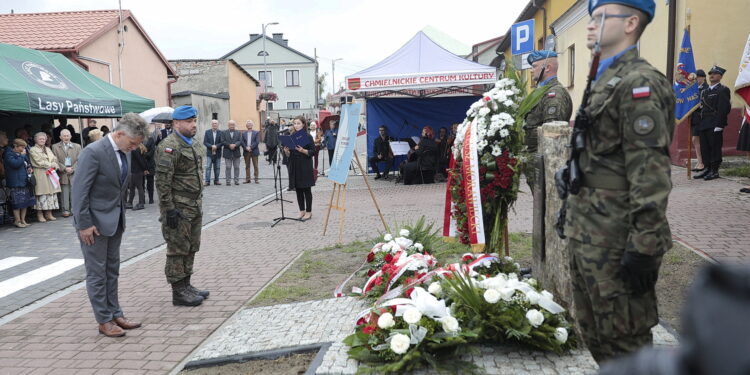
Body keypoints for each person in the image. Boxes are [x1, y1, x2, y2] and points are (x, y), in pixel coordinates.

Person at [564, 0, 675, 364]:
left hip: (616, 235)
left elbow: (650, 172)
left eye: (599, 18)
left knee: (625, 341)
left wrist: (644, 245)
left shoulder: (639, 83)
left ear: (630, 23)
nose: (590, 26)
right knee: (595, 332)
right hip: (589, 229)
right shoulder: (603, 78)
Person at [72, 113, 146, 337]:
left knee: (112, 271)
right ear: (120, 133)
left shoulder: (125, 151)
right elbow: (79, 192)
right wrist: (84, 224)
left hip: (115, 222)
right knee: (97, 274)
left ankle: (115, 313)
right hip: (93, 225)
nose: (134, 148)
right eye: (132, 143)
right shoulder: (92, 153)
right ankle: (103, 320)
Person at [155, 105, 209, 306]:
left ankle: (187, 284)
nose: (193, 124)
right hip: (178, 207)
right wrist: (169, 209)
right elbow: (162, 182)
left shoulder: (192, 143)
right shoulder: (169, 146)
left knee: (191, 246)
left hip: (194, 205)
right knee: (177, 248)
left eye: (194, 121)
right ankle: (178, 291)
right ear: (176, 123)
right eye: (189, 121)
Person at [524, 49, 574, 192]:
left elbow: (552, 132)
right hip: (537, 158)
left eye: (534, 66)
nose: (531, 71)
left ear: (547, 67)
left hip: (546, 160)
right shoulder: (541, 92)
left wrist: (523, 135)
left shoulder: (554, 94)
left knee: (546, 205)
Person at [694, 66, 731, 181]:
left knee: (714, 147)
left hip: (714, 123)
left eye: (715, 73)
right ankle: (707, 168)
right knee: (704, 148)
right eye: (710, 73)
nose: (711, 75)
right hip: (704, 123)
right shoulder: (705, 91)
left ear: (720, 76)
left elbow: (724, 109)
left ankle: (714, 171)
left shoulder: (723, 90)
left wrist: (719, 125)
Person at [283, 116, 315, 221]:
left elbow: (313, 152)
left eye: (298, 123)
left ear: (303, 124)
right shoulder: (291, 136)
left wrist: (303, 151)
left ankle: (309, 211)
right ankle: (302, 211)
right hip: (295, 165)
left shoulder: (307, 136)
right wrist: (287, 152)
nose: (296, 125)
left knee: (306, 189)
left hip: (305, 165)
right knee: (298, 190)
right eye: (295, 123)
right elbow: (289, 154)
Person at [29, 132, 61, 222]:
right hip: (40, 173)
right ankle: (40, 214)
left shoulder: (48, 148)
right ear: (36, 140)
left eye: (44, 139)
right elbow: (38, 161)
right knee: (41, 194)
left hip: (50, 173)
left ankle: (49, 213)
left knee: (51, 193)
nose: (42, 140)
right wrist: (51, 165)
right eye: (40, 139)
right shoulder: (33, 149)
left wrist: (54, 164)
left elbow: (55, 159)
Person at [4, 139, 35, 228]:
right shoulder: (8, 155)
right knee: (17, 203)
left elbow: (28, 163)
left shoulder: (23, 155)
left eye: (24, 147)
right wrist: (21, 156)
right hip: (15, 183)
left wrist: (30, 168)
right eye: (22, 147)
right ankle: (17, 221)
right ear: (15, 146)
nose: (23, 149)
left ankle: (23, 220)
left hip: (25, 181)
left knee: (25, 202)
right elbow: (15, 164)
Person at [51, 129, 81, 217]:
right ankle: (65, 210)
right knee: (64, 192)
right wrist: (64, 168)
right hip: (62, 172)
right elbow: (55, 160)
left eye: (68, 135)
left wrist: (73, 168)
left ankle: (74, 209)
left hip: (74, 172)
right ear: (60, 137)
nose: (66, 137)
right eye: (64, 136)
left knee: (74, 192)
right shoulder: (55, 147)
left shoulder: (77, 146)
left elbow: (80, 159)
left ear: (71, 136)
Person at [690, 69, 708, 172]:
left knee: (696, 139)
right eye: (695, 78)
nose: (696, 80)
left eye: (698, 78)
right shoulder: (694, 88)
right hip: (694, 117)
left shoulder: (706, 89)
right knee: (695, 139)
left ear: (703, 77)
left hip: (701, 117)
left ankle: (701, 162)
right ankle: (699, 161)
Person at [126, 143, 147, 210]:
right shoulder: (140, 148)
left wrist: (144, 169)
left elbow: (140, 160)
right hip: (136, 171)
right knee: (132, 187)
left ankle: (141, 203)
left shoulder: (135, 150)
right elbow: (142, 160)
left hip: (136, 171)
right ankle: (130, 202)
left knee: (139, 187)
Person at [221, 120, 242, 186]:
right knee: (228, 167)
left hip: (236, 152)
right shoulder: (224, 132)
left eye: (233, 124)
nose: (232, 126)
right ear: (228, 125)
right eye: (230, 124)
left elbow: (240, 141)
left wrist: (235, 145)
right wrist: (229, 145)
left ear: (235, 125)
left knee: (236, 167)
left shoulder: (238, 132)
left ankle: (236, 180)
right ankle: (228, 181)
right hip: (227, 152)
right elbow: (222, 141)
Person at [202, 119, 223, 186]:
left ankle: (216, 180)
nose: (214, 124)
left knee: (217, 167)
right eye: (213, 123)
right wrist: (211, 146)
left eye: (216, 123)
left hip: (218, 152)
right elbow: (205, 142)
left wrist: (216, 146)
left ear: (218, 124)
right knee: (208, 167)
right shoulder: (207, 132)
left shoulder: (221, 132)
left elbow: (222, 142)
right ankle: (207, 181)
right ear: (211, 124)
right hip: (209, 153)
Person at [143, 129, 157, 204]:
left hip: (150, 164)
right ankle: (142, 199)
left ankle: (151, 198)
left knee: (150, 182)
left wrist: (144, 155)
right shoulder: (139, 139)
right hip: (141, 164)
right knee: (141, 183)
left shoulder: (151, 140)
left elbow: (152, 151)